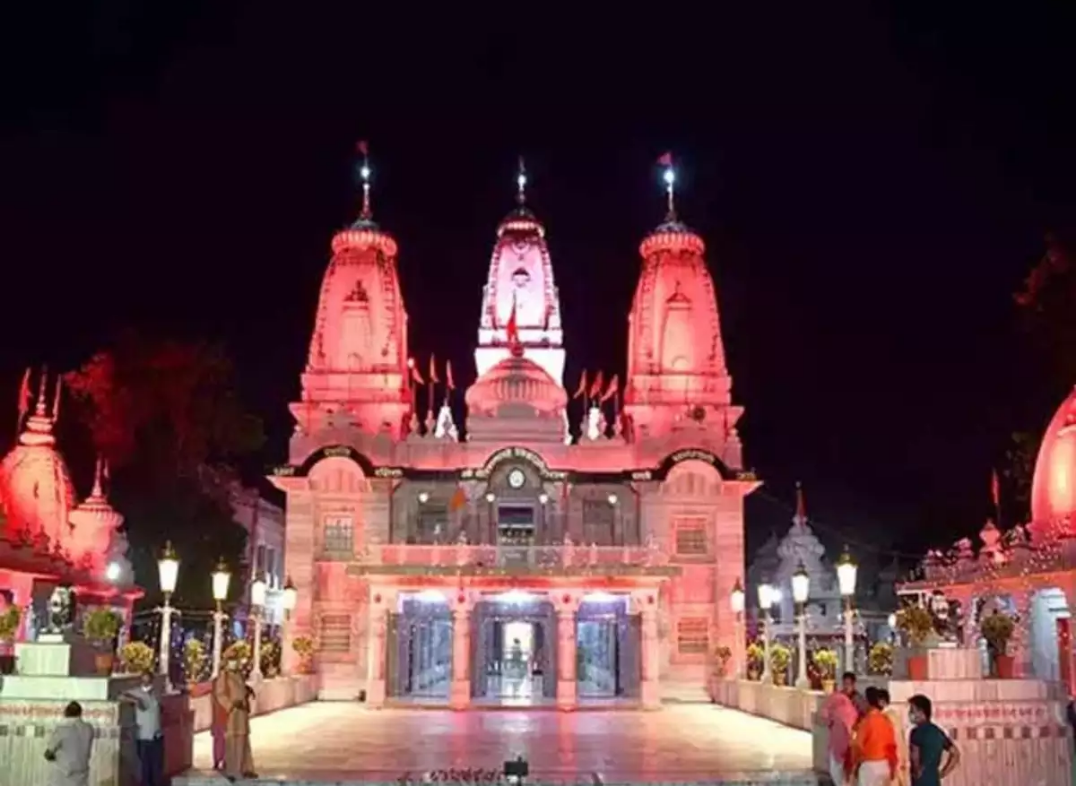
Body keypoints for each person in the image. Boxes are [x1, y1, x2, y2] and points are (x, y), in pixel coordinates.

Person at [213, 657, 257, 781]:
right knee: (232, 740)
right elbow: (220, 694)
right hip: (232, 713)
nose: (234, 662)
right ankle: (232, 771)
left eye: (235, 659)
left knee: (243, 738)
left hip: (242, 711)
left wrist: (247, 694)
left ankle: (246, 768)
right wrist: (231, 705)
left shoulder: (239, 675)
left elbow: (241, 690)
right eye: (231, 659)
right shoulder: (224, 676)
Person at [121, 671, 164, 786]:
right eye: (144, 679)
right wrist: (135, 700)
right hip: (143, 734)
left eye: (148, 679)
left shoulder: (157, 693)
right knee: (144, 764)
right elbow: (121, 695)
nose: (146, 681)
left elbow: (161, 707)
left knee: (156, 764)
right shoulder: (136, 692)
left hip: (156, 734)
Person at [908, 694, 960, 786]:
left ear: (921, 712)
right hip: (934, 779)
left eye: (912, 710)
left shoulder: (916, 732)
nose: (910, 713)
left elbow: (915, 756)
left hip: (921, 781)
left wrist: (917, 772)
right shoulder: (937, 732)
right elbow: (955, 753)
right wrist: (943, 772)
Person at [852, 687, 898, 786]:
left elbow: (857, 745)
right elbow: (892, 746)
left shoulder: (867, 721)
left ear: (868, 702)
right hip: (885, 766)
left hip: (869, 766)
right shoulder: (886, 720)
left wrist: (855, 763)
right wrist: (893, 766)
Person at [43, 701, 94, 786]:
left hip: (63, 777)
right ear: (80, 713)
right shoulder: (89, 729)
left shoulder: (62, 730)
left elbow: (48, 754)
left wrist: (56, 757)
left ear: (66, 713)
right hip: (82, 777)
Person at [821, 672, 859, 785]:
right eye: (845, 684)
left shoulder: (858, 699)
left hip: (853, 739)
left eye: (849, 684)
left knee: (850, 773)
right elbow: (825, 713)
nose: (846, 686)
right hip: (837, 738)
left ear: (853, 684)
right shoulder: (836, 698)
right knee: (836, 771)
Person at [878, 688, 908, 786]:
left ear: (882, 702)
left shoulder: (884, 717)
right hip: (899, 757)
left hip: (890, 758)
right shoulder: (895, 715)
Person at [211, 669, 229, 770]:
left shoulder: (228, 683)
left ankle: (222, 760)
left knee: (222, 740)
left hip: (224, 716)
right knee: (219, 739)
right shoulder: (215, 683)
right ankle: (218, 761)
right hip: (219, 717)